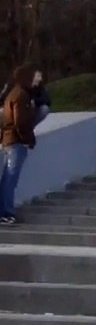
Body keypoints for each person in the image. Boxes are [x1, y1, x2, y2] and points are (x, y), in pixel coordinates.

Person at [1, 65, 41, 226]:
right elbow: (21, 122)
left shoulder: (13, 94)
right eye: (34, 77)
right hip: (16, 142)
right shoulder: (21, 95)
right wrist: (28, 140)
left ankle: (5, 211)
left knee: (7, 179)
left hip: (9, 140)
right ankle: (6, 213)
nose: (37, 80)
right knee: (10, 179)